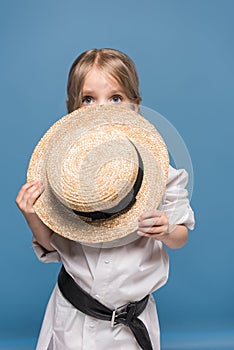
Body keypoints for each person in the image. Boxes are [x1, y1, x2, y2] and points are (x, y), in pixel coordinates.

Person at [16, 48, 195, 350]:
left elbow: (180, 236)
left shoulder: (162, 174)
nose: (102, 109)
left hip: (130, 325)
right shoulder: (63, 178)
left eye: (116, 98)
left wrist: (165, 229)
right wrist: (32, 214)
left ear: (135, 106)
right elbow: (53, 247)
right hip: (73, 320)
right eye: (88, 99)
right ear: (72, 110)